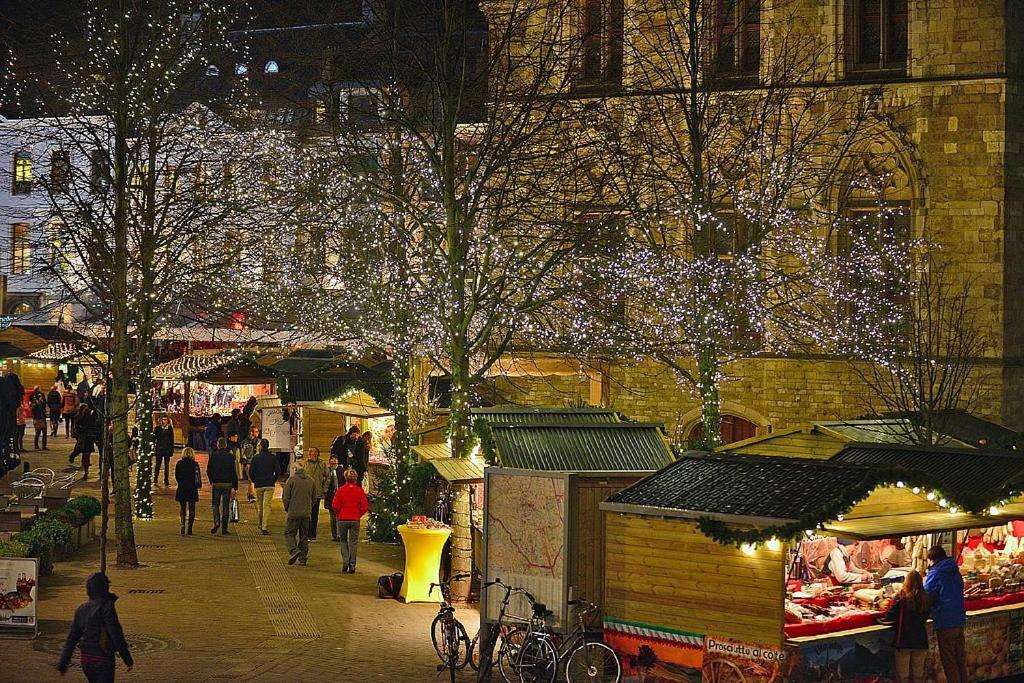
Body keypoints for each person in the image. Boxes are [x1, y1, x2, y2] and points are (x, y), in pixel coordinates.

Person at [57, 572, 134, 681]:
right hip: (103, 658)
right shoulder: (106, 606)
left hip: (86, 660)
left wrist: (63, 664)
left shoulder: (81, 609)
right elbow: (116, 633)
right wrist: (127, 659)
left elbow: (71, 640)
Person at [924, 545, 968, 683]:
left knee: (949, 661)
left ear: (932, 559)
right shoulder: (955, 570)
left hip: (945, 621)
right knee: (960, 658)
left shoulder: (935, 572)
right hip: (959, 619)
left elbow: (927, 594)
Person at [878, 570, 930, 683]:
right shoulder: (926, 600)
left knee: (903, 676)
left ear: (907, 583)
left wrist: (895, 598)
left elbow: (888, 616)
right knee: (918, 676)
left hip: (904, 641)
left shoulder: (903, 601)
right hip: (921, 640)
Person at [331, 468, 369, 573]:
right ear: (356, 478)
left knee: (343, 541)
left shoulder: (341, 490)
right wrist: (358, 515)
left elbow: (335, 505)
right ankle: (352, 564)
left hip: (343, 519)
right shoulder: (360, 491)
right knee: (353, 542)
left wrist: (339, 515)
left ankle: (345, 561)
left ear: (345, 478)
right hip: (355, 519)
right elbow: (364, 507)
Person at [282, 460, 317, 566]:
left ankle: (294, 550)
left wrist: (288, 508)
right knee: (304, 536)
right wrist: (309, 507)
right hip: (306, 513)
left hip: (294, 512)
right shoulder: (311, 481)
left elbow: (286, 497)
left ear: (295, 469)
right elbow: (314, 497)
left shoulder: (291, 480)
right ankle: (303, 558)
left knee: (289, 533)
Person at [206, 437, 238, 535]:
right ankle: (224, 528)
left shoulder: (213, 456)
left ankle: (216, 522)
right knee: (225, 506)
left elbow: (209, 470)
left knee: (215, 504)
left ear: (218, 444)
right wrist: (235, 486)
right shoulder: (230, 457)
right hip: (227, 484)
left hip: (216, 483)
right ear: (225, 445)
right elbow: (233, 472)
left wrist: (211, 480)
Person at [249, 438, 280, 535]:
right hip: (269, 484)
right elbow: (278, 471)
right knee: (267, 506)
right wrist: (273, 479)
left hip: (259, 484)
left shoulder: (256, 458)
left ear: (260, 446)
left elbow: (251, 472)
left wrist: (255, 480)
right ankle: (264, 526)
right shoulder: (272, 458)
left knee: (260, 505)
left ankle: (260, 523)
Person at [174, 447, 202, 535]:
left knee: (182, 509)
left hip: (182, 487)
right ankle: (190, 528)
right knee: (192, 508)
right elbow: (198, 477)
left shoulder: (179, 464)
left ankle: (182, 524)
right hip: (192, 488)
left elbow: (177, 476)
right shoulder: (195, 464)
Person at [303, 447, 328, 541]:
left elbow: (327, 476)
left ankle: (312, 535)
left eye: (312, 451)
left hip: (317, 493)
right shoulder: (305, 463)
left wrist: (324, 489)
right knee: (305, 514)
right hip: (306, 493)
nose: (309, 453)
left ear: (317, 453)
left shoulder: (322, 464)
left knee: (314, 514)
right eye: (308, 451)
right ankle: (305, 533)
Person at [70, 402, 99, 480]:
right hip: (86, 437)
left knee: (84, 453)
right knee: (84, 453)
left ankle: (85, 471)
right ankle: (85, 470)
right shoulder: (82, 417)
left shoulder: (85, 417)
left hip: (86, 437)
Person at [324, 455, 344, 541]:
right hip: (330, 497)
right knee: (332, 517)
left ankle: (340, 535)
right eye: (332, 459)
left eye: (335, 459)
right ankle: (335, 535)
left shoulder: (342, 471)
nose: (334, 461)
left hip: (339, 497)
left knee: (339, 517)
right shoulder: (327, 471)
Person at [153, 415, 175, 487]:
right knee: (158, 465)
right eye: (163, 419)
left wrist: (171, 450)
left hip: (167, 449)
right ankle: (155, 479)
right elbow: (154, 438)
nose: (164, 421)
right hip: (159, 449)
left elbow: (172, 440)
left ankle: (166, 480)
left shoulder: (170, 429)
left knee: (166, 465)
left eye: (165, 419)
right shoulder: (157, 429)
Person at [240, 424, 261, 502]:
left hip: (257, 462)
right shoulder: (245, 442)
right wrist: (245, 462)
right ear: (251, 433)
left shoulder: (259, 441)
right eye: (256, 432)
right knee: (251, 479)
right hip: (248, 462)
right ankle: (252, 495)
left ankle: (249, 494)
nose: (258, 433)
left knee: (251, 480)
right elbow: (243, 453)